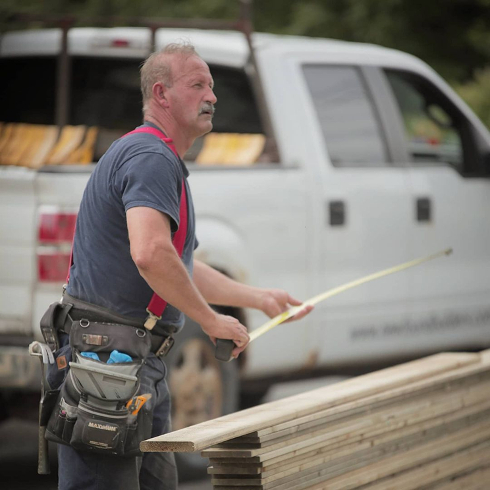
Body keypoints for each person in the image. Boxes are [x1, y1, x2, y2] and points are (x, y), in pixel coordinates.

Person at [56, 42, 313, 490]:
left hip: (132, 366)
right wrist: (211, 320)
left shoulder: (159, 158)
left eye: (212, 86)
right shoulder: (152, 158)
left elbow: (177, 266)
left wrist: (257, 298)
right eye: (197, 85)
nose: (211, 97)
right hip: (108, 367)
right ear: (161, 94)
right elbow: (151, 254)